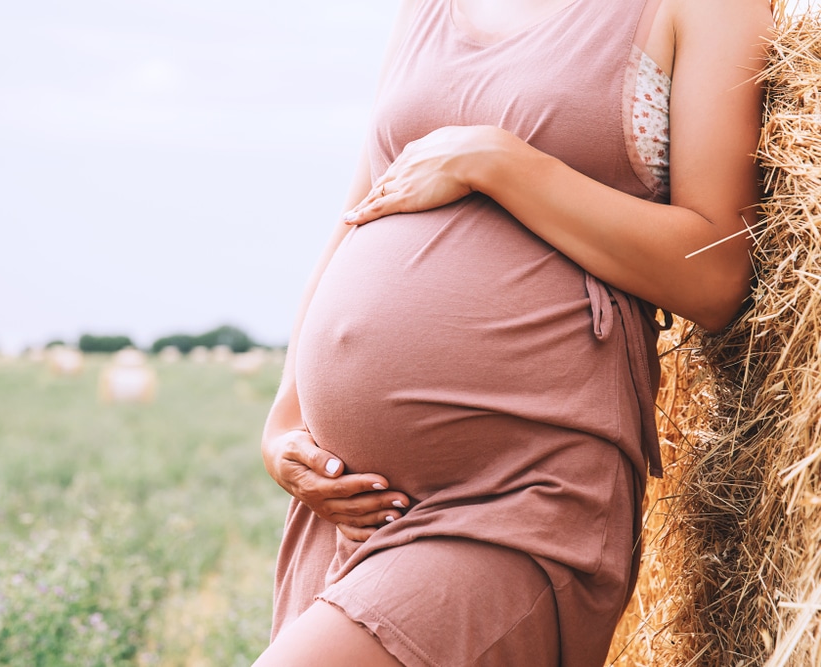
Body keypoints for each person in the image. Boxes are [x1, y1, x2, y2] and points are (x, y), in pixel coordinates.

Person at [255, 0, 772, 664]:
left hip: (517, 495)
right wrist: (285, 420)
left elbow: (716, 273)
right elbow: (360, 211)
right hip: (350, 506)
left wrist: (499, 161)